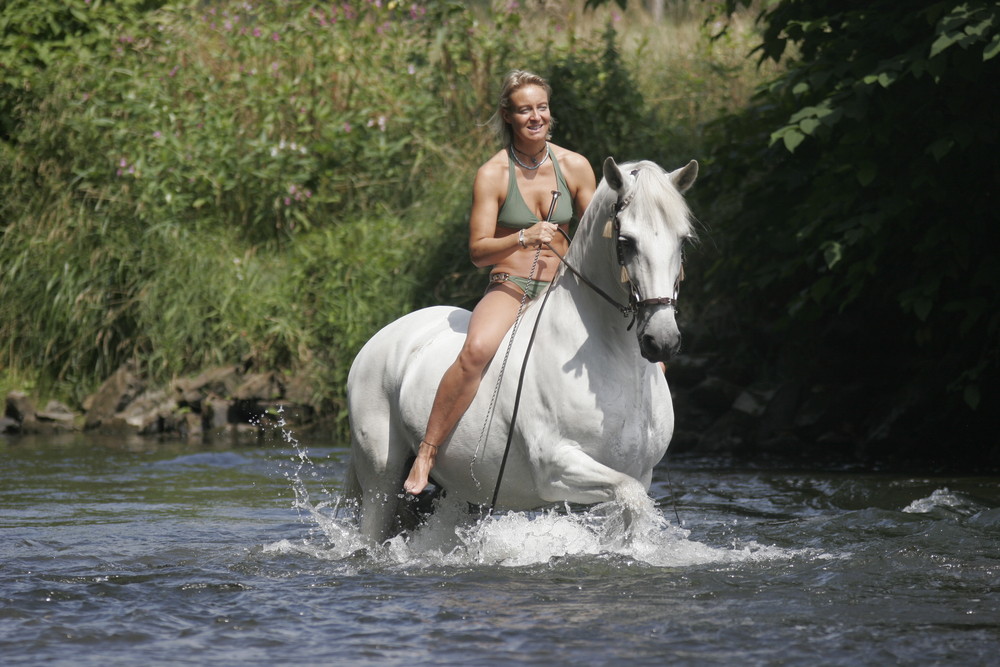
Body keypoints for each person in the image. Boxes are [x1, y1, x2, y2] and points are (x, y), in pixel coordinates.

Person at [403, 69, 597, 496]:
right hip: (512, 285)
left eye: (542, 108)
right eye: (525, 109)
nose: (536, 117)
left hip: (563, 290)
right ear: (508, 116)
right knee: (475, 351)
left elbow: (599, 234)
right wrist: (523, 236)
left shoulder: (576, 166)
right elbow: (478, 251)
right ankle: (428, 452)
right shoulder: (492, 174)